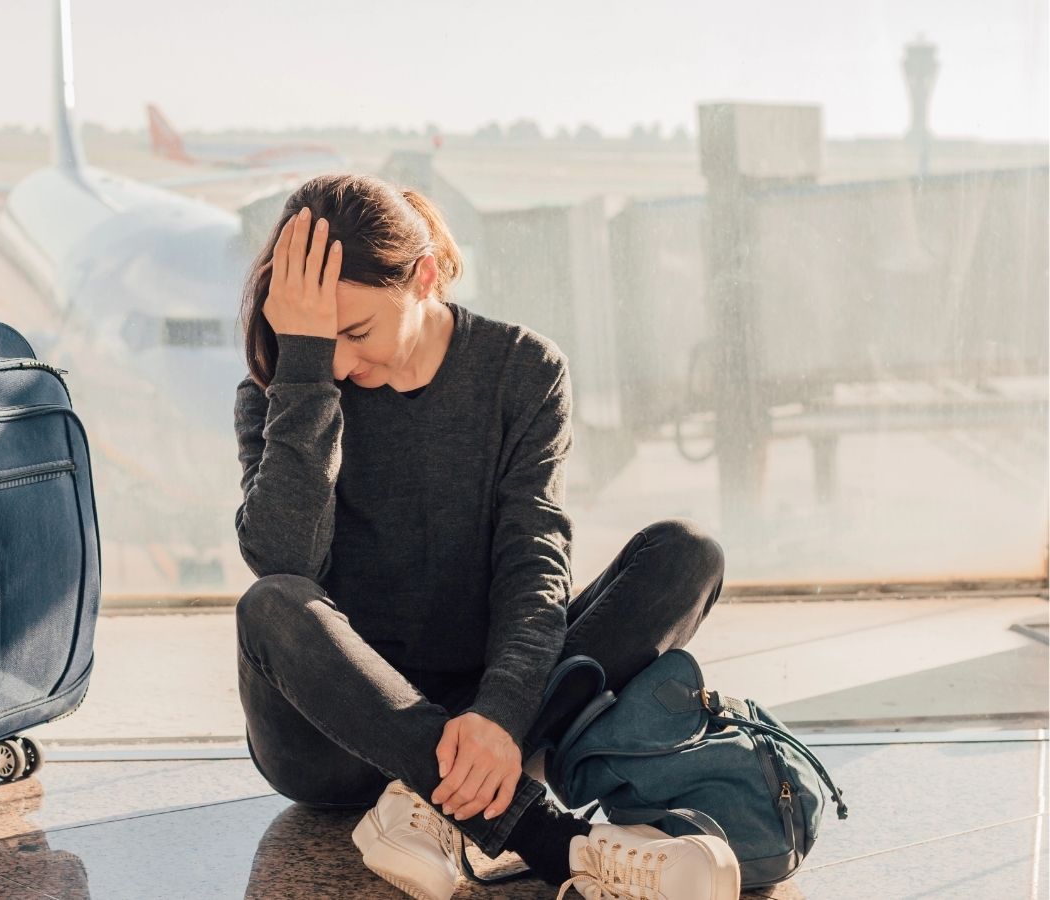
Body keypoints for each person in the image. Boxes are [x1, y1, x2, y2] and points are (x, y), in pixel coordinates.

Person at [232, 174, 741, 900]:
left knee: (686, 555)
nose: (339, 362)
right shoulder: (287, 387)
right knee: (271, 603)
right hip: (336, 738)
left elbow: (532, 563)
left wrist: (500, 714)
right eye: (318, 339)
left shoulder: (522, 370)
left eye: (354, 332)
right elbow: (286, 558)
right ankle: (553, 843)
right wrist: (304, 371)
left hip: (491, 721)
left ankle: (432, 800)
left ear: (425, 277)